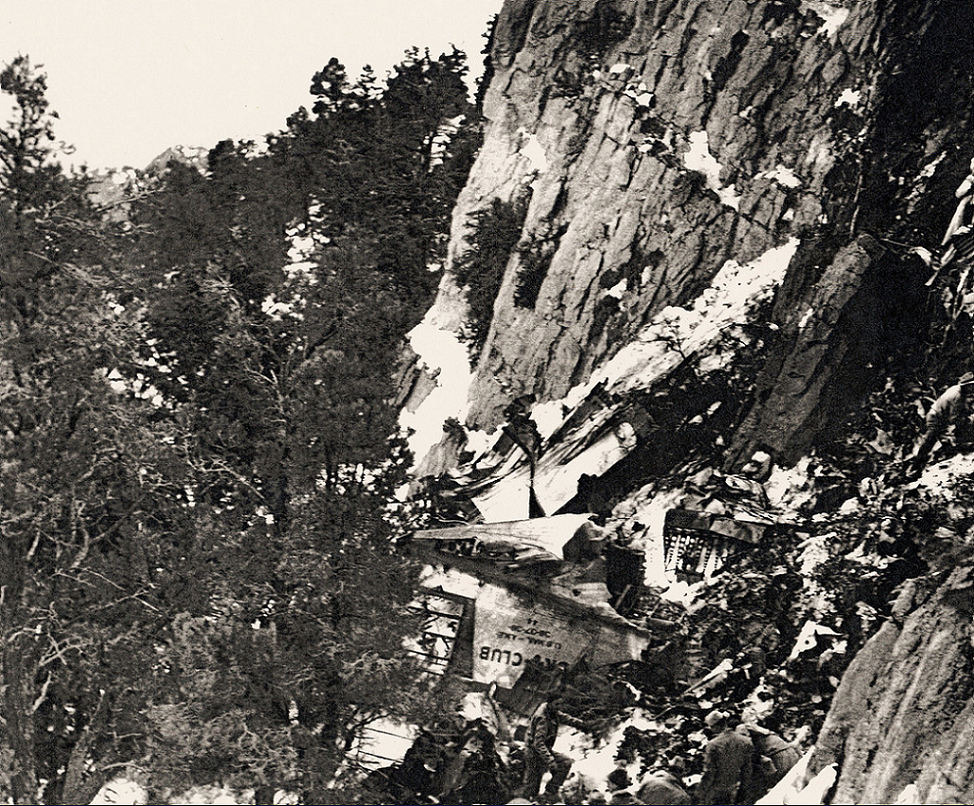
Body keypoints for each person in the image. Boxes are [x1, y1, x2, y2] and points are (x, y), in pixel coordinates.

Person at [908, 373, 974, 472]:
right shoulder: (957, 397)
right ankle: (915, 467)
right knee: (928, 442)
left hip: (942, 416)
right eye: (971, 386)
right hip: (936, 418)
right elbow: (954, 419)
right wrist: (968, 419)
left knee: (949, 441)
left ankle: (951, 458)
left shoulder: (959, 390)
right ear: (966, 386)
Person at [517, 691, 573, 804]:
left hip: (543, 750)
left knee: (565, 762)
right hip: (534, 753)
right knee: (532, 785)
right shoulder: (542, 718)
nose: (559, 707)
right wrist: (550, 760)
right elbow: (538, 744)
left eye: (561, 704)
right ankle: (524, 801)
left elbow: (564, 717)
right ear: (550, 703)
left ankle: (549, 793)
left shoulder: (551, 710)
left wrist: (583, 723)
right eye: (557, 704)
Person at [696, 711, 754, 805]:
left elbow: (710, 771)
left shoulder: (713, 744)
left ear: (716, 726)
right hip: (736, 786)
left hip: (717, 790)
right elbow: (747, 768)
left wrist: (700, 792)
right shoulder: (745, 741)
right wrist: (744, 788)